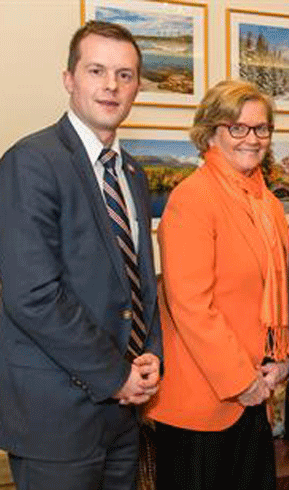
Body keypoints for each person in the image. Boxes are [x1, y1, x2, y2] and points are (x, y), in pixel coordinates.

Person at [0, 20, 162, 490]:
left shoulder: (130, 172)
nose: (111, 86)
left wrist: (151, 355)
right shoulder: (30, 162)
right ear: (69, 79)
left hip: (122, 413)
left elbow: (140, 283)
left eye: (125, 75)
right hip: (57, 417)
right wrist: (116, 375)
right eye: (96, 71)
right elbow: (33, 295)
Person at [145, 80, 289, 490]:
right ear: (210, 133)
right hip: (205, 399)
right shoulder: (193, 198)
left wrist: (281, 356)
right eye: (237, 127)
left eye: (261, 129)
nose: (252, 138)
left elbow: (277, 293)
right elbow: (190, 304)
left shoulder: (269, 205)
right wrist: (240, 381)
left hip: (256, 394)